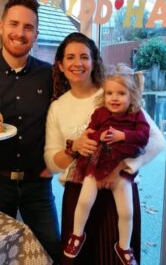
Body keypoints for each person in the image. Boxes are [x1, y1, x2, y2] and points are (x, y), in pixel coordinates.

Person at [44, 32, 166, 265]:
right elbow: (52, 163)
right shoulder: (57, 108)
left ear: (94, 61)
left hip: (117, 192)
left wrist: (125, 167)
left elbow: (156, 140)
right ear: (60, 65)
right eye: (70, 57)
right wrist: (74, 148)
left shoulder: (116, 91)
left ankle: (124, 247)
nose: (77, 63)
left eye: (84, 57)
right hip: (79, 193)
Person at [0, 0, 60, 264]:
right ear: (1, 25)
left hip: (37, 183)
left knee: (51, 246)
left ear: (36, 33)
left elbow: (62, 120)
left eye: (28, 27)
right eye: (14, 24)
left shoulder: (50, 75)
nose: (20, 33)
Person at [64, 64, 150, 265]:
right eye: (110, 93)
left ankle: (124, 245)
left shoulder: (136, 115)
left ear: (132, 96)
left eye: (121, 93)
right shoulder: (100, 113)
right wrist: (98, 135)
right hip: (96, 163)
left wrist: (123, 135)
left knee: (127, 211)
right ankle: (77, 235)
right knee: (84, 201)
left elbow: (144, 136)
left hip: (121, 170)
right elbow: (90, 132)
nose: (114, 98)